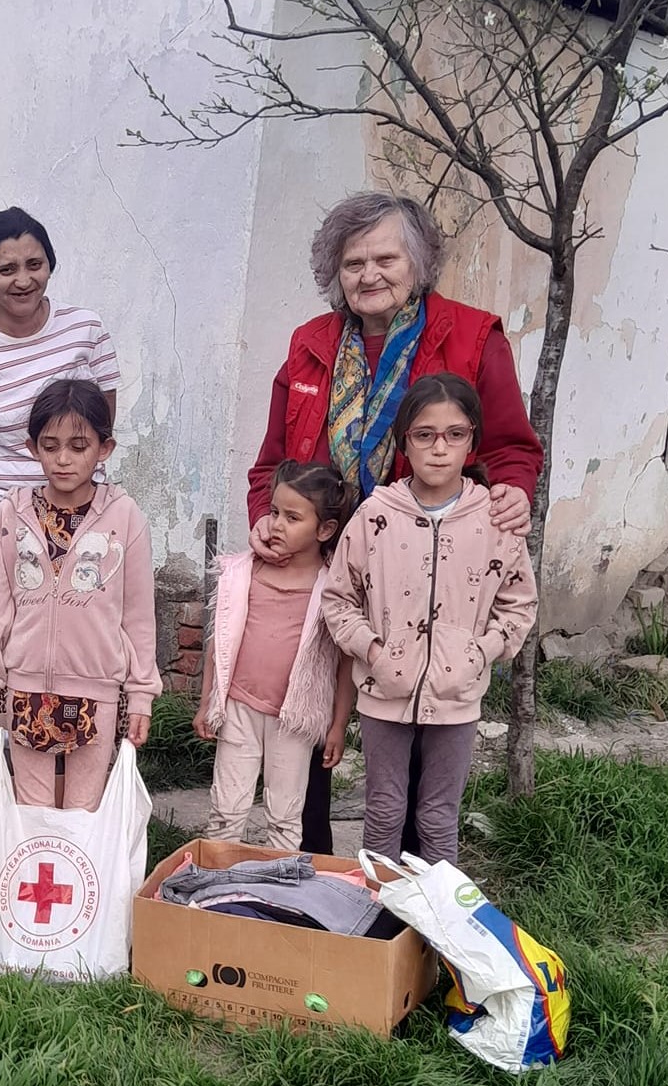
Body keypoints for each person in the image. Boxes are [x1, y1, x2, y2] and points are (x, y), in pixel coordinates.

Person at [245, 191, 542, 854]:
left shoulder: (472, 336)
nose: (369, 274)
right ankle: (310, 866)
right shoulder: (311, 344)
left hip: (423, 571)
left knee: (410, 730)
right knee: (306, 720)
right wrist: (267, 519)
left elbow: (511, 449)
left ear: (419, 262)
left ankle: (408, 882)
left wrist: (514, 493)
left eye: (386, 258)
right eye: (353, 262)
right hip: (321, 565)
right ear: (335, 271)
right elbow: (271, 462)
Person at [322, 374, 537, 865]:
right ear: (404, 442)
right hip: (382, 693)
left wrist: (479, 652)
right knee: (383, 810)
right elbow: (338, 598)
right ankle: (378, 910)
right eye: (425, 435)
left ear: (472, 440)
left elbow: (519, 602)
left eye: (455, 434)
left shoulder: (495, 520)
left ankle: (435, 914)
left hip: (458, 696)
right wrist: (374, 651)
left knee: (439, 817)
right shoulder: (375, 516)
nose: (440, 449)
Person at [0, 379, 160, 810]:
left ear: (104, 449)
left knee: (84, 813)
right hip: (26, 692)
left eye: (78, 446)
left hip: (97, 692)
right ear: (32, 447)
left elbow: (138, 617)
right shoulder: (12, 514)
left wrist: (141, 695)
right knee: (30, 811)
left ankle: (82, 861)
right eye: (50, 446)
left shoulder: (125, 518)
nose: (63, 459)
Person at [0, 207, 121, 604]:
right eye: (6, 269)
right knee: (5, 631)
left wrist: (66, 487)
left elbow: (101, 424)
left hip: (86, 514)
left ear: (50, 265)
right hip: (2, 521)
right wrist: (11, 495)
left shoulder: (85, 330)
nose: (23, 280)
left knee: (89, 626)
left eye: (35, 264)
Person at [193, 461, 357, 850]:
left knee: (285, 817)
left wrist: (337, 725)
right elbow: (220, 642)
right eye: (275, 512)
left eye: (292, 517)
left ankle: (279, 883)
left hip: (294, 720)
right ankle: (216, 879)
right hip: (239, 708)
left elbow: (344, 664)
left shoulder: (331, 589)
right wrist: (206, 702)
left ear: (325, 530)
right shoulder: (243, 573)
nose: (277, 524)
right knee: (225, 810)